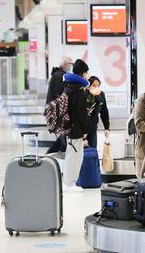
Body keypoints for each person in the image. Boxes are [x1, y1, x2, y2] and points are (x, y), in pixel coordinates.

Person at [62, 59, 91, 192]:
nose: (87, 76)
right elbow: (81, 114)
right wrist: (86, 129)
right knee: (75, 157)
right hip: (76, 129)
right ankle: (70, 184)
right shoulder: (78, 91)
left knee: (71, 155)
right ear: (83, 73)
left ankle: (67, 182)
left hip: (69, 127)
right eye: (86, 73)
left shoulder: (68, 87)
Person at [84, 76, 111, 150]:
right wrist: (83, 136)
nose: (96, 87)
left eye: (98, 86)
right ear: (88, 87)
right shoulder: (83, 95)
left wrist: (107, 128)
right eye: (94, 85)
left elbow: (104, 111)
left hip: (93, 127)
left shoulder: (101, 95)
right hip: (82, 129)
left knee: (93, 150)